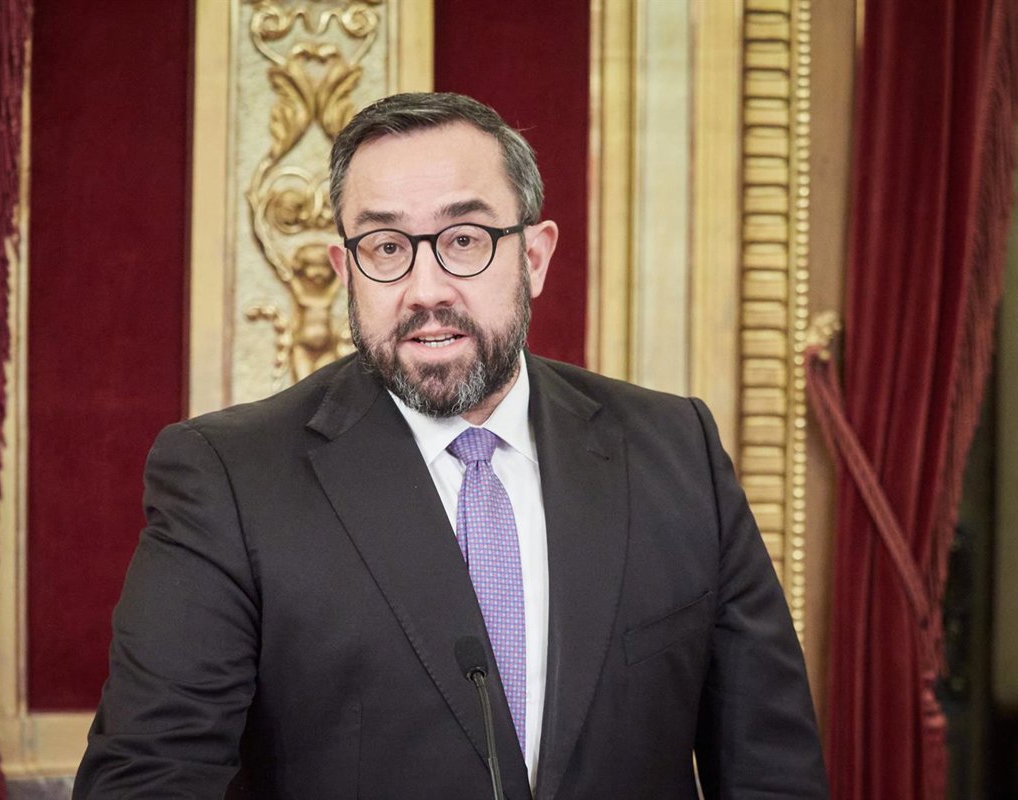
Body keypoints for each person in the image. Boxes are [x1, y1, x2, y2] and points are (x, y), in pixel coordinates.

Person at [74, 92, 828, 799]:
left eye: (464, 240)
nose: (426, 288)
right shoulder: (228, 479)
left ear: (534, 257)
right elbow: (148, 779)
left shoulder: (678, 452)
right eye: (386, 246)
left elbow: (772, 771)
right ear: (346, 271)